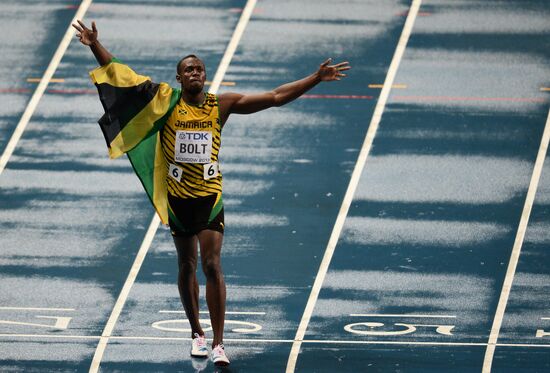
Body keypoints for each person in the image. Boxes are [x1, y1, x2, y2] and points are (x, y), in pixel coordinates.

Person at [72, 20, 350, 367]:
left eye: (200, 68)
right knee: (186, 265)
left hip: (209, 196)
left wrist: (314, 78)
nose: (195, 73)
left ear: (205, 76)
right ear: (179, 78)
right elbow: (123, 78)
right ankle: (196, 333)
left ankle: (219, 342)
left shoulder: (221, 105)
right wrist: (95, 45)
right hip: (178, 198)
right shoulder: (165, 102)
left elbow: (276, 97)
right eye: (188, 69)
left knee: (212, 264)